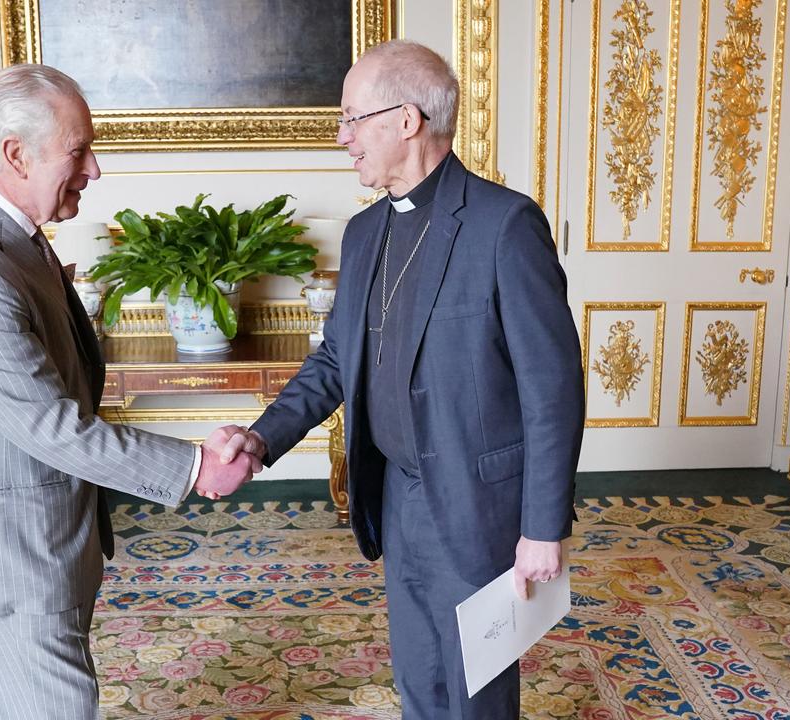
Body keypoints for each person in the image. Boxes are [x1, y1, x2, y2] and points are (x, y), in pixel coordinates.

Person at [214, 40, 584, 719]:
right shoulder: (362, 234)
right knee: (419, 677)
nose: (342, 137)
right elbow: (334, 362)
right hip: (398, 494)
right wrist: (261, 439)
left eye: (353, 119)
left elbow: (551, 390)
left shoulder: (505, 227)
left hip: (479, 507)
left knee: (477, 691)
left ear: (407, 119)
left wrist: (542, 526)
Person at [0, 64, 255, 720]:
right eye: (79, 150)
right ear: (16, 153)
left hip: (40, 545)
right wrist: (196, 465)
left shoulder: (10, 239)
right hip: (9, 562)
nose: (95, 170)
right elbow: (50, 426)